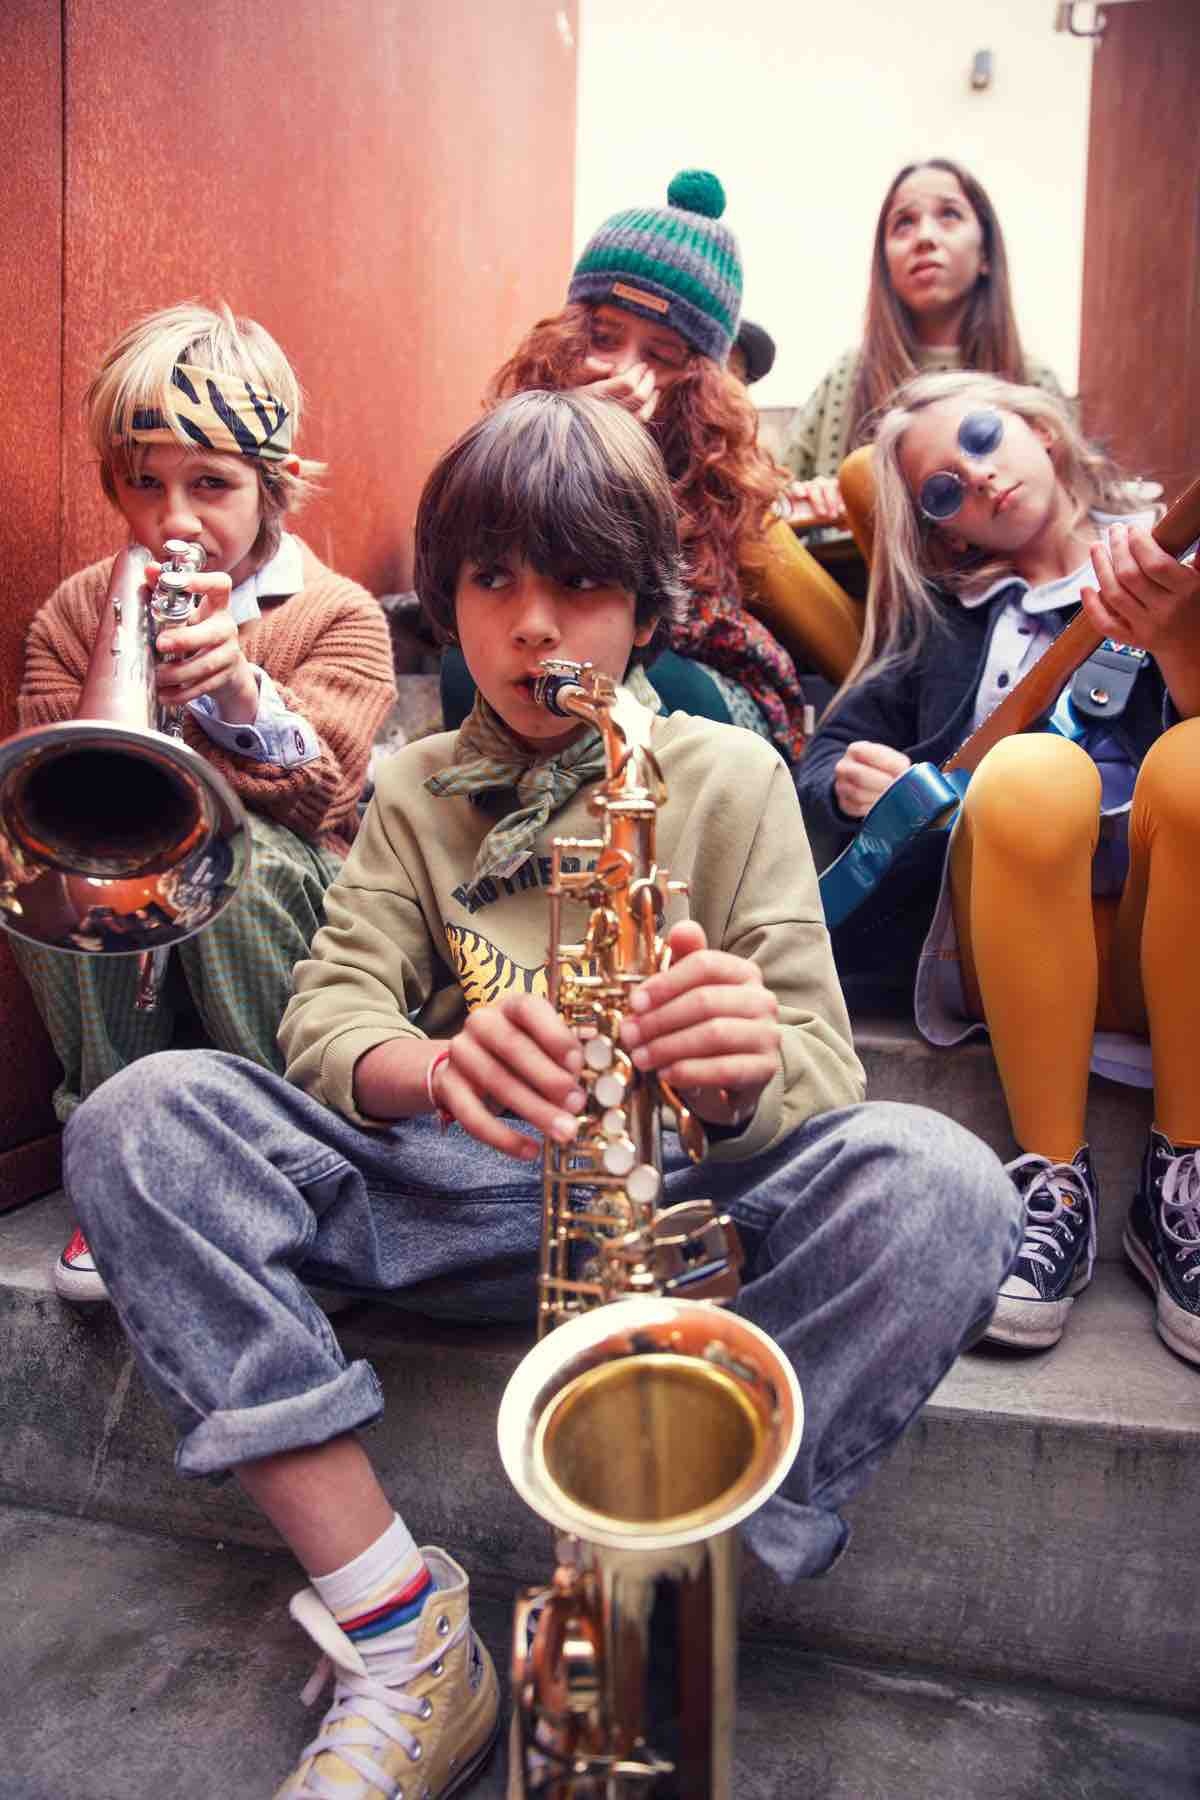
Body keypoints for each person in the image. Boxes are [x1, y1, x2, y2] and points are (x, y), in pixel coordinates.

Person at [62, 390, 1020, 1798]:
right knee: (139, 1121)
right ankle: (400, 1636)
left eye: (579, 586)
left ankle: (652, 1593)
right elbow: (326, 1018)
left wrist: (738, 1069)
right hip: (450, 1190)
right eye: (492, 581)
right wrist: (436, 1066)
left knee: (945, 1185)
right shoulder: (414, 787)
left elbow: (822, 1065)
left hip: (673, 1209)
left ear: (644, 608)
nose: (531, 628)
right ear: (445, 600)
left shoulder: (730, 774)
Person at [797, 369, 1200, 1362]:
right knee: (1028, 773)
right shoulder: (949, 621)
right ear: (946, 533)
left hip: (1162, 936)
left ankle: (1183, 1177)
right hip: (1003, 945)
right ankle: (1052, 1174)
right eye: (942, 490)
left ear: (1038, 430)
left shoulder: (1176, 564)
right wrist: (850, 777)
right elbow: (823, 751)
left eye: (980, 439)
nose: (974, 478)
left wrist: (1179, 641)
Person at [14, 302, 397, 1302]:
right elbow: (46, 786)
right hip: (139, 927)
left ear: (275, 484)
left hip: (276, 921)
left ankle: (288, 1162)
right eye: (145, 484)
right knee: (55, 868)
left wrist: (237, 696)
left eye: (211, 485)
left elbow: (327, 794)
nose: (175, 519)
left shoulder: (338, 614)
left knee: (238, 861)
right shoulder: (73, 611)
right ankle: (115, 1160)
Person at [487, 168, 865, 728]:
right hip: (550, 651)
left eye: (659, 355)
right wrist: (557, 436)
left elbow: (656, 617)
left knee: (634, 677)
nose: (623, 369)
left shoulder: (717, 473)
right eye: (604, 338)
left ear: (699, 382)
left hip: (692, 676)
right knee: (474, 665)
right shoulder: (513, 435)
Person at [783, 158, 1064, 539]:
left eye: (949, 215)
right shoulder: (848, 374)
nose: (925, 238)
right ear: (885, 263)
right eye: (904, 223)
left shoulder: (1034, 379)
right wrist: (809, 496)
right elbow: (773, 500)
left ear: (985, 254)